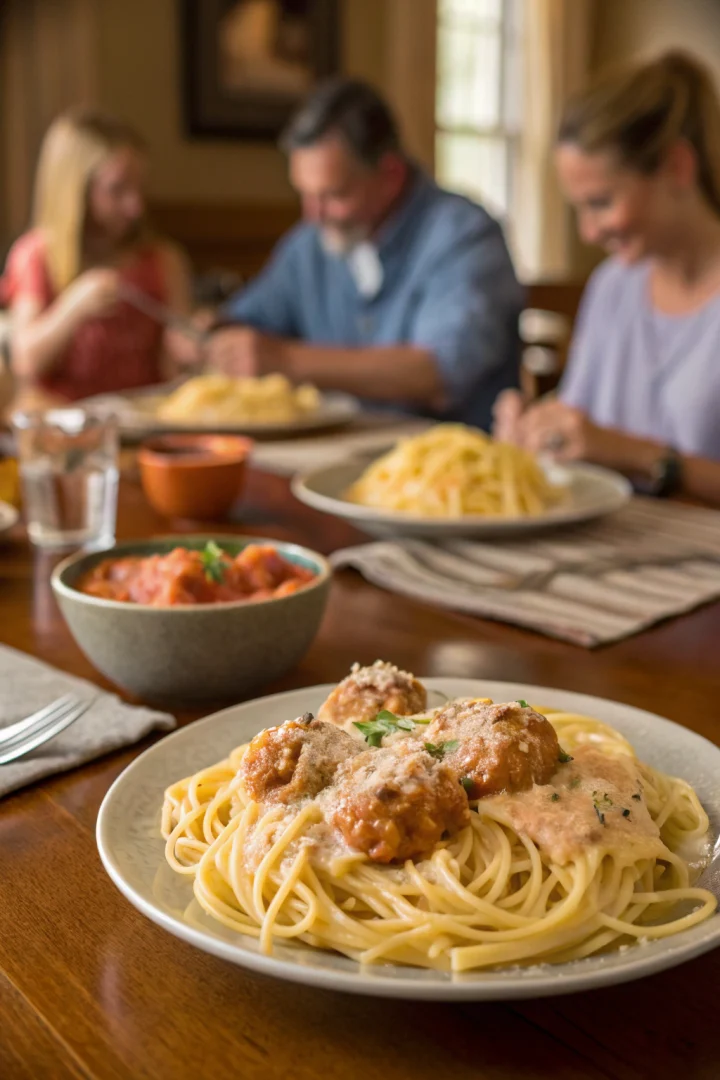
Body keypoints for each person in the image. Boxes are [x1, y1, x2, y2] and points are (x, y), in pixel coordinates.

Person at [208, 78, 523, 430]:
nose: (313, 215)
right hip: (330, 456)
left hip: (449, 467)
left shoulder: (464, 236)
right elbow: (250, 317)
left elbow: (437, 372)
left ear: (390, 174)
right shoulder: (309, 244)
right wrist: (210, 333)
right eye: (305, 195)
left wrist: (287, 361)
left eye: (334, 196)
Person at [494, 51, 720, 504]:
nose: (588, 231)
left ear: (677, 166)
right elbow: (585, 438)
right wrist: (540, 432)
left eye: (601, 203)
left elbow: (614, 449)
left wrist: (640, 456)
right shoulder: (612, 286)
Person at [3, 108, 194, 402]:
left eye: (140, 188)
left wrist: (189, 347)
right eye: (118, 190)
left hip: (143, 426)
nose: (136, 207)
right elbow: (26, 363)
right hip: (63, 426)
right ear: (74, 190)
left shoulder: (163, 260)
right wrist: (73, 306)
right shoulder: (37, 256)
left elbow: (175, 368)